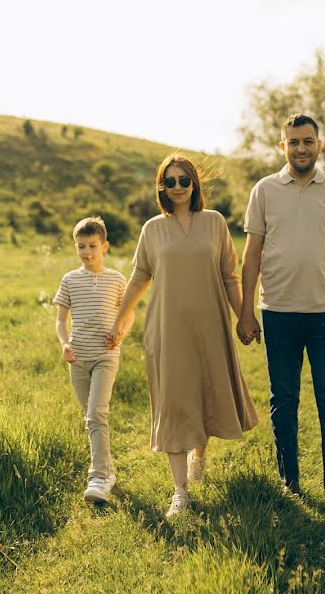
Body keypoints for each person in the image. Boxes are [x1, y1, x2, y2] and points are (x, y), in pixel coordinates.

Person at [237, 113, 325, 527]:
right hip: (278, 312)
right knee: (284, 402)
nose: (301, 148)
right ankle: (289, 484)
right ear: (283, 147)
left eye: (307, 141)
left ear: (319, 145)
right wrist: (246, 310)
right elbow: (252, 255)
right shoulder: (264, 190)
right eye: (293, 142)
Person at [107, 153, 258, 518]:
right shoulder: (152, 230)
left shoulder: (215, 223)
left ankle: (200, 453)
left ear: (194, 184)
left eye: (183, 181)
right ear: (161, 187)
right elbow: (140, 278)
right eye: (169, 182)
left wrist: (245, 317)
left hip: (210, 325)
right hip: (167, 328)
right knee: (174, 402)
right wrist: (119, 319)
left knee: (206, 393)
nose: (177, 188)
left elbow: (229, 277)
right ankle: (180, 491)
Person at [54, 216, 127, 503]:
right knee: (91, 418)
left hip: (105, 356)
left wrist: (120, 332)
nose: (87, 252)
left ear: (104, 246)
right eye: (81, 246)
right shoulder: (70, 280)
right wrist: (63, 344)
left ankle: (98, 477)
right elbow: (61, 320)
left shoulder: (117, 280)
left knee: (97, 413)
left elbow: (128, 313)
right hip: (77, 359)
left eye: (93, 246)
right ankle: (106, 470)